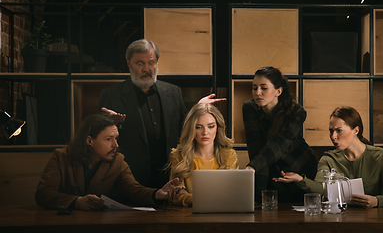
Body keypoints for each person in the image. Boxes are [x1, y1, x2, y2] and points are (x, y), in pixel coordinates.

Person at [99, 39, 225, 189]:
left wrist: (198, 108)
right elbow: (100, 141)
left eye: (151, 63)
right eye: (140, 64)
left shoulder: (173, 92)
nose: (147, 69)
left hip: (170, 175)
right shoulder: (112, 95)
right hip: (129, 179)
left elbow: (184, 130)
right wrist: (110, 124)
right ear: (128, 63)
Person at [35, 113, 185, 210]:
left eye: (116, 138)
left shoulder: (117, 162)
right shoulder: (62, 156)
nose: (116, 145)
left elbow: (134, 190)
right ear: (89, 141)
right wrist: (76, 201)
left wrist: (158, 194)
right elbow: (43, 193)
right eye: (108, 139)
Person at [273, 106, 383, 208]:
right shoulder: (328, 159)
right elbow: (321, 188)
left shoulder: (380, 156)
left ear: (356, 130)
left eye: (339, 130)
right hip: (337, 219)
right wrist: (300, 179)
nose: (333, 136)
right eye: (331, 130)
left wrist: (377, 201)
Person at [242, 66, 318, 203]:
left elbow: (278, 144)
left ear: (278, 91)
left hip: (301, 169)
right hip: (272, 172)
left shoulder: (296, 112)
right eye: (254, 88)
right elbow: (256, 148)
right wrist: (257, 197)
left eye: (263, 88)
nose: (258, 92)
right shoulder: (250, 108)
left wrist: (252, 167)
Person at [166, 103, 239, 206]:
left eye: (211, 126)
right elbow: (175, 196)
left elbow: (234, 193)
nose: (205, 132)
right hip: (189, 216)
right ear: (191, 128)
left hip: (223, 213)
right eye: (199, 127)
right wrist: (198, 200)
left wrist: (196, 198)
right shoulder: (179, 156)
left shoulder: (229, 155)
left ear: (217, 128)